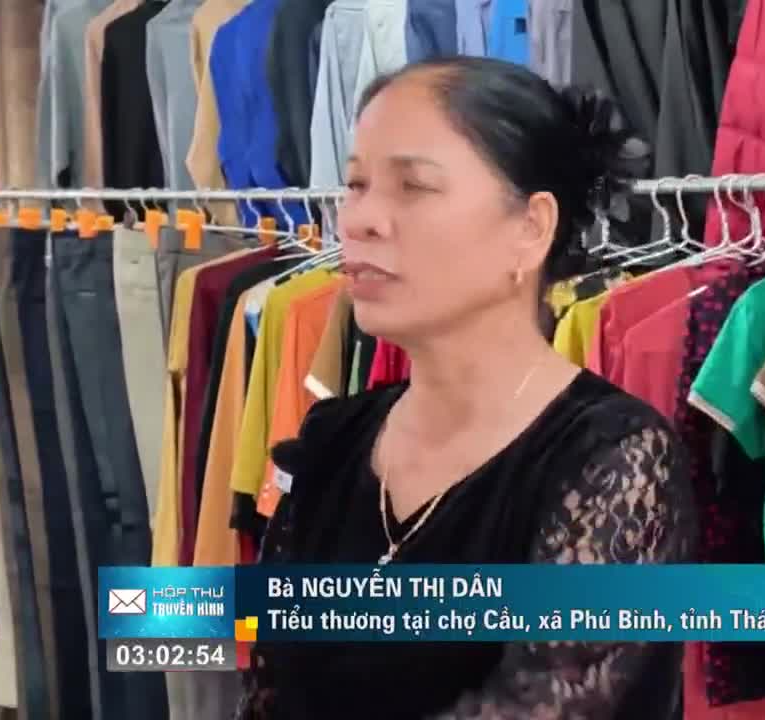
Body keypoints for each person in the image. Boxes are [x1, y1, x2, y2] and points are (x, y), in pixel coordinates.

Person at [236, 56, 697, 719]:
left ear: (530, 228)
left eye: (414, 187)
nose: (360, 220)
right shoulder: (330, 440)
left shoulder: (616, 459)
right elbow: (266, 693)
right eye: (356, 184)